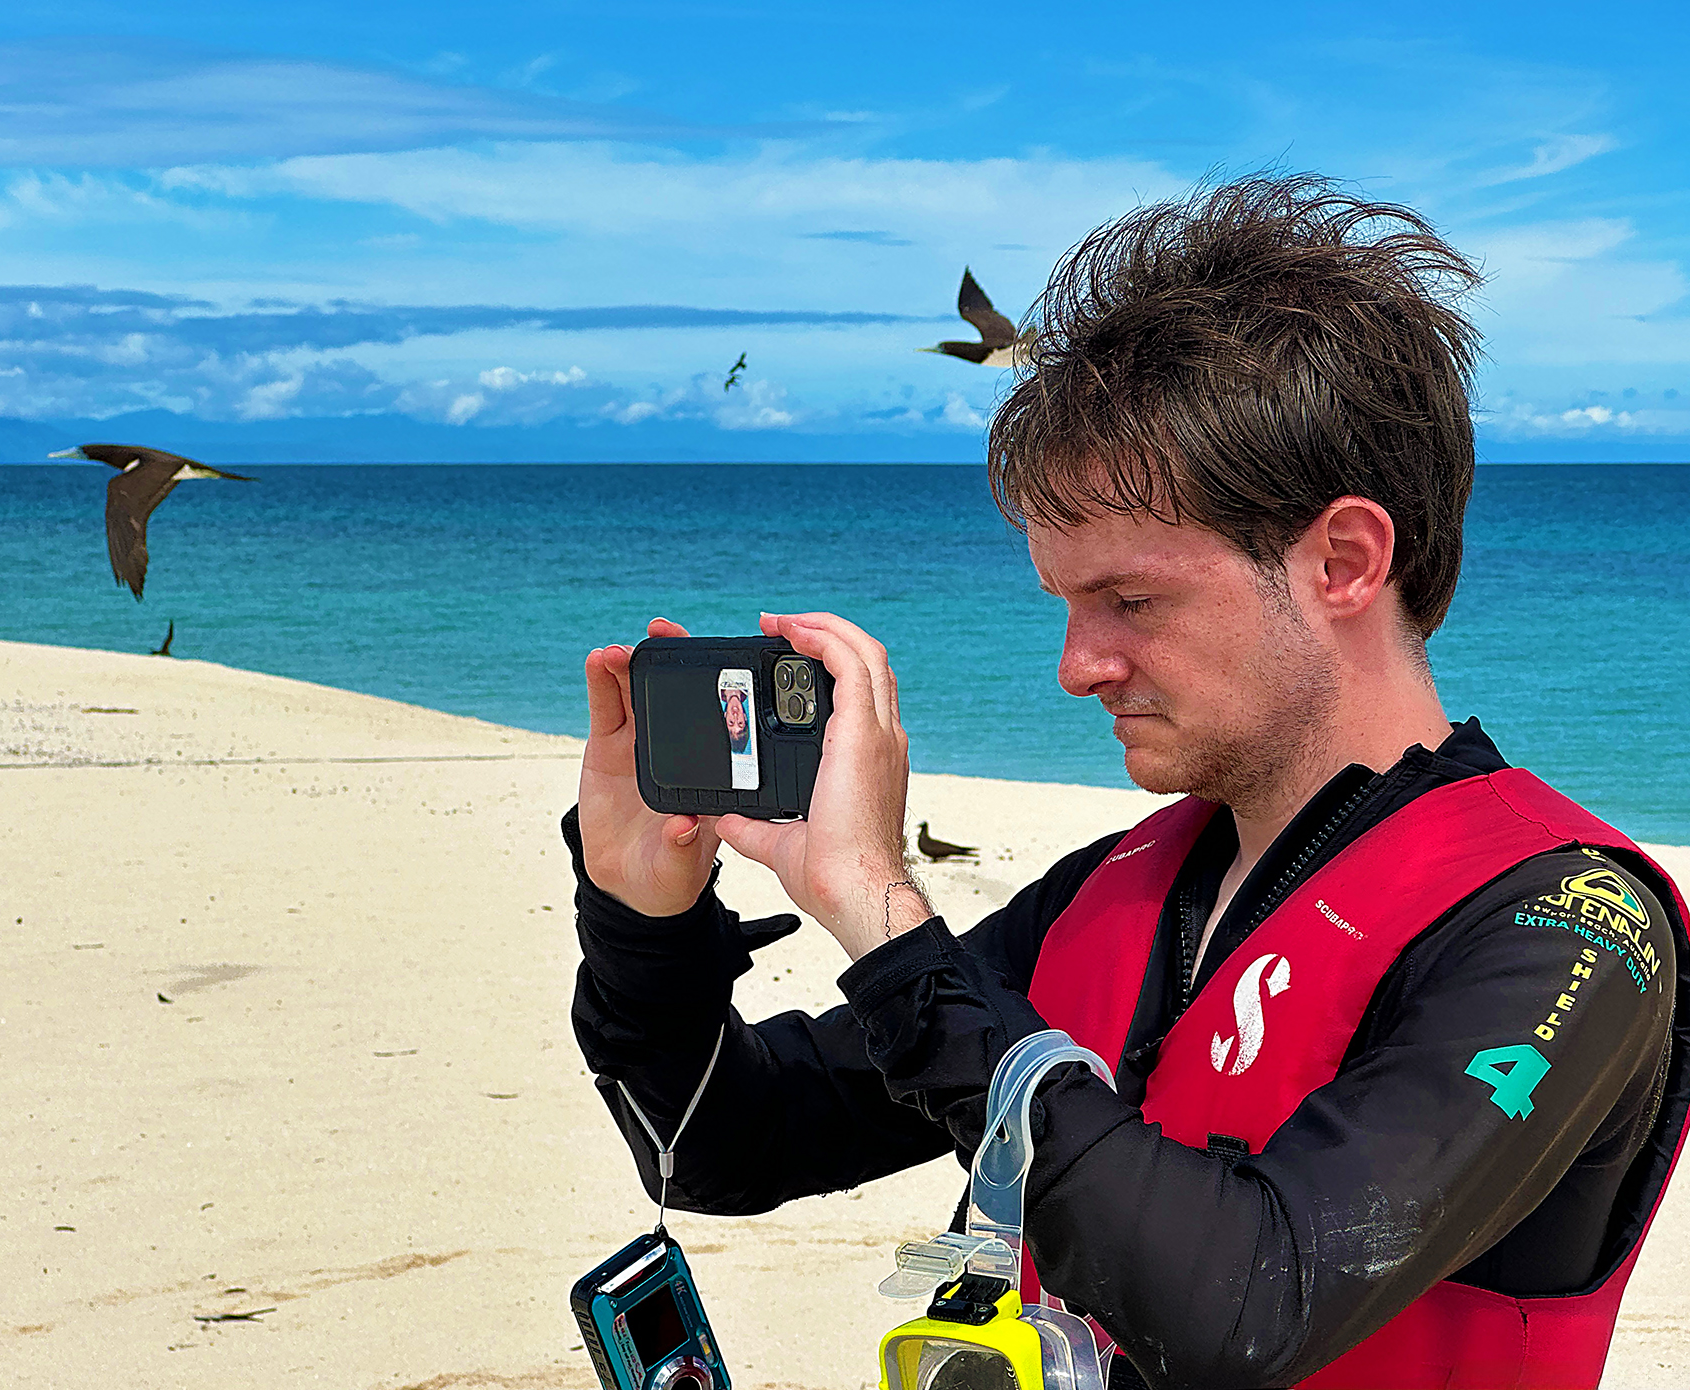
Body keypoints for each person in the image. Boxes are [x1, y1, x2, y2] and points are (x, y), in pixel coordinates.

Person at [566, 175, 1689, 1389]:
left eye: (1131, 601)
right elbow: (720, 1143)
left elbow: (1252, 1306)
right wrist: (643, 916)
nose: (1076, 667)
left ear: (1345, 561)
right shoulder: (1126, 891)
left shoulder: (1565, 924)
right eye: (1066, 603)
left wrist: (882, 911)